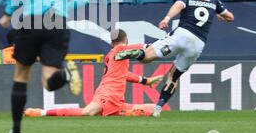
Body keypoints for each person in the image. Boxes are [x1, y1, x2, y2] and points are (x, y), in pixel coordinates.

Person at [0, 0, 88, 133]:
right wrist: (64, 9)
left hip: (30, 20)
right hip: (56, 21)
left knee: (21, 75)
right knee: (49, 82)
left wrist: (9, 13)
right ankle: (64, 75)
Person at [114, 0, 234, 117]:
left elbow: (179, 5)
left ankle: (130, 52)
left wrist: (167, 18)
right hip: (198, 44)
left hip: (182, 35)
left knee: (146, 58)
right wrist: (222, 16)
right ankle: (158, 108)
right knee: (173, 77)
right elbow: (230, 17)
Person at [24, 29, 163, 118]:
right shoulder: (121, 49)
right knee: (87, 112)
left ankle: (125, 112)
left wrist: (145, 81)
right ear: (126, 40)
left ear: (110, 42)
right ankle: (41, 112)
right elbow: (144, 47)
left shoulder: (112, 54)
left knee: (154, 108)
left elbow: (124, 74)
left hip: (116, 98)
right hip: (107, 94)